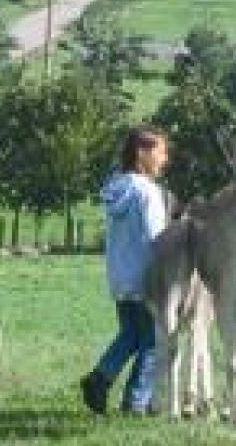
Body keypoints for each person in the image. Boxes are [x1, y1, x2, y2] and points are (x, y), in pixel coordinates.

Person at [80, 126, 169, 415]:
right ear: (142, 153)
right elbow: (158, 239)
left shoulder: (116, 186)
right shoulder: (148, 192)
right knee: (154, 342)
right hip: (146, 277)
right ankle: (136, 402)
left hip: (120, 276)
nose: (164, 159)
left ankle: (100, 378)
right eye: (160, 152)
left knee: (130, 334)